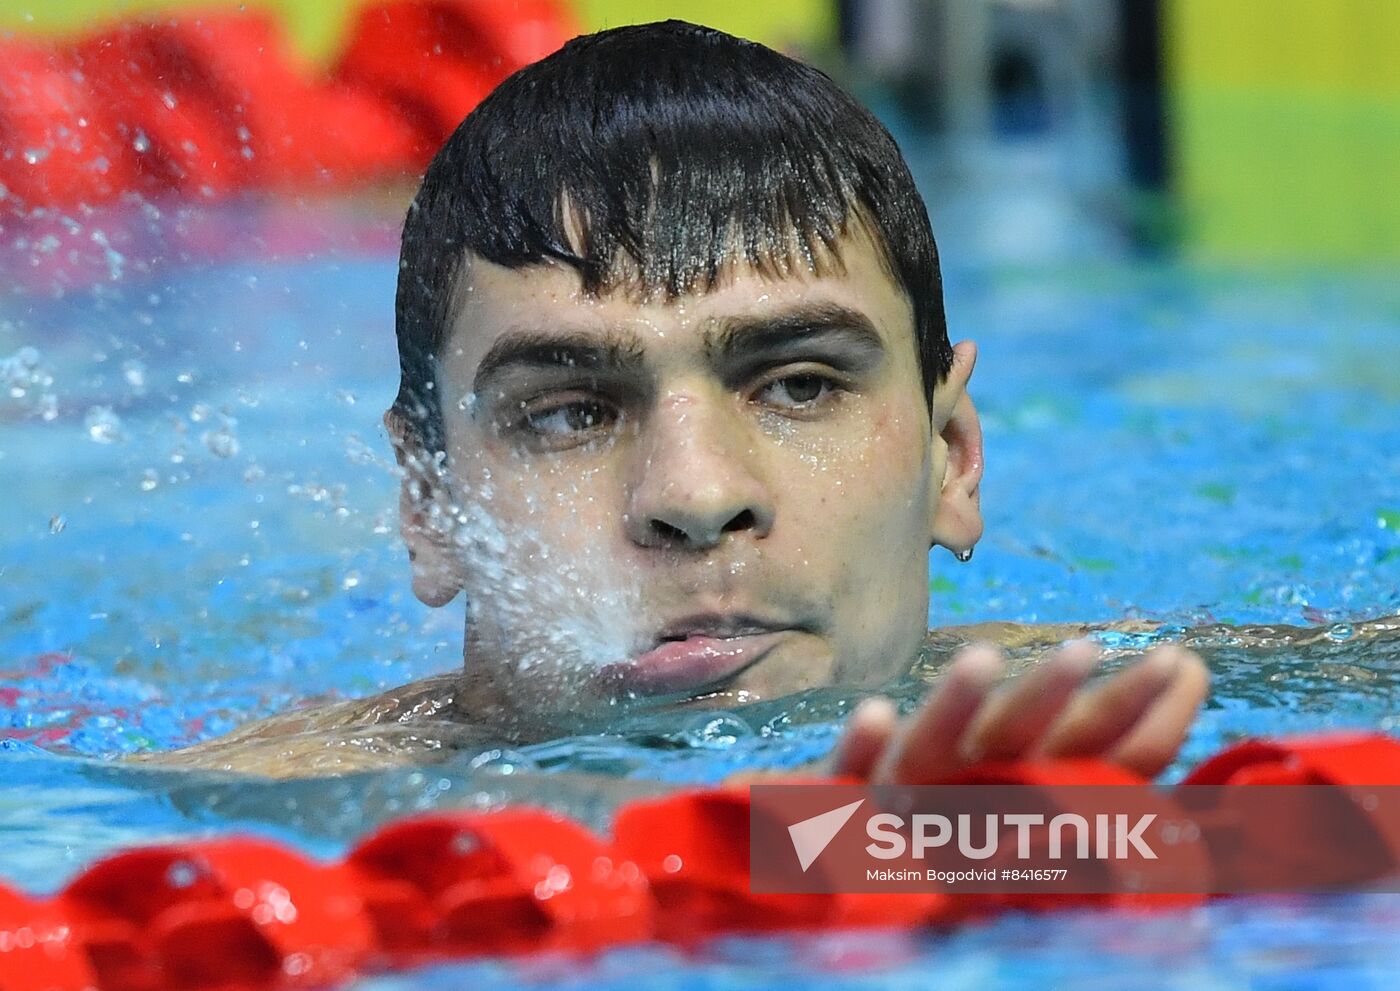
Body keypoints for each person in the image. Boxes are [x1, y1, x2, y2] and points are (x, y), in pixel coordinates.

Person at [148, 20, 1209, 780]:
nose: (695, 497)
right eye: (568, 410)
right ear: (430, 507)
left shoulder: (1168, 692)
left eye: (798, 384)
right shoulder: (251, 815)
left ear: (952, 455)